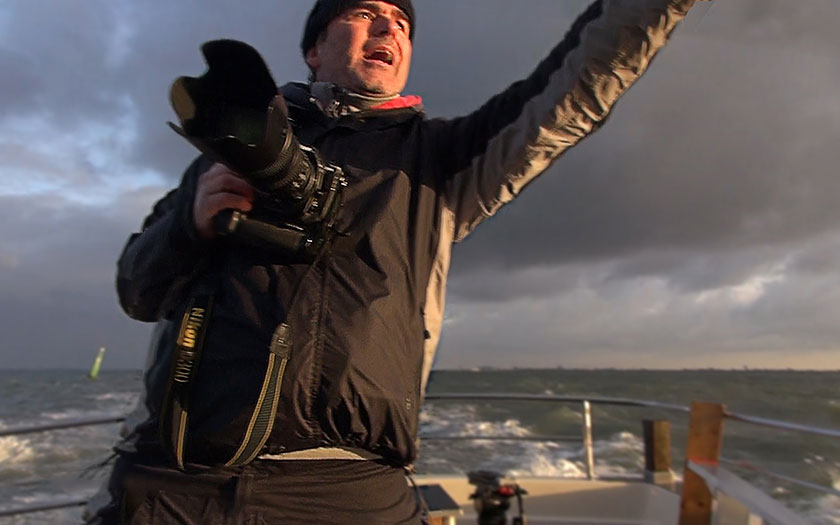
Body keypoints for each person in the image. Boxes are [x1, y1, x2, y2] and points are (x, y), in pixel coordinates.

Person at [86, 0, 700, 522]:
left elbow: (575, 81)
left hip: (353, 491)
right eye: (364, 13)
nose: (389, 30)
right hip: (173, 480)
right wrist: (187, 226)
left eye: (402, 25)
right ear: (315, 49)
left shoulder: (439, 160)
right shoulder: (228, 151)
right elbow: (136, 290)